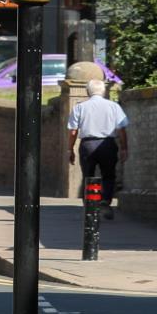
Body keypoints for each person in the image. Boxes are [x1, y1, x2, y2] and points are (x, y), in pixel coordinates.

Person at [66, 78, 128, 219]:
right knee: (109, 175)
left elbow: (73, 131)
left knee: (89, 176)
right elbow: (122, 130)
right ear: (104, 91)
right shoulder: (114, 107)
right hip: (108, 144)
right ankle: (105, 201)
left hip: (87, 145)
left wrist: (70, 149)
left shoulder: (80, 107)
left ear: (88, 92)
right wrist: (124, 148)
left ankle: (90, 206)